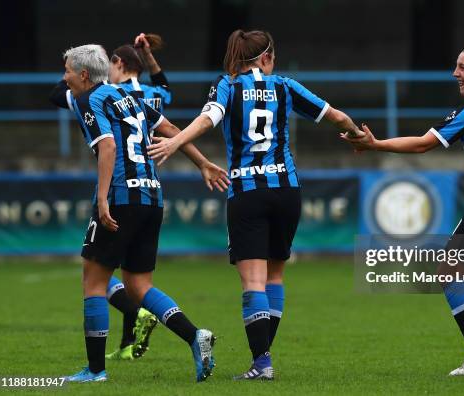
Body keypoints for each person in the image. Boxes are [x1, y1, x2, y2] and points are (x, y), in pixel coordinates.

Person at [147, 29, 365, 380]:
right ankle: (262, 358)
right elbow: (337, 116)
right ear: (267, 57)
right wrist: (359, 137)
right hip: (287, 190)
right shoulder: (285, 86)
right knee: (275, 275)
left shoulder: (228, 86)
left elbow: (208, 118)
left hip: (247, 191)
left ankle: (262, 362)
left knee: (253, 280)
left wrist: (175, 144)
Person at [342, 43, 464, 378]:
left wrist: (376, 144)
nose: (455, 74)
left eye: (463, 67)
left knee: (447, 270)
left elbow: (423, 143)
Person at [50, 35, 230, 362]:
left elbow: (108, 147)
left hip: (121, 195)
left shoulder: (88, 99)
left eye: (68, 72)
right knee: (137, 286)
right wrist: (202, 163)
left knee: (93, 280)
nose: (64, 78)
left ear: (85, 76)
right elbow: (173, 130)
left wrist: (102, 199)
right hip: (152, 196)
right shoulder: (131, 98)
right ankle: (195, 337)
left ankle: (94, 370)